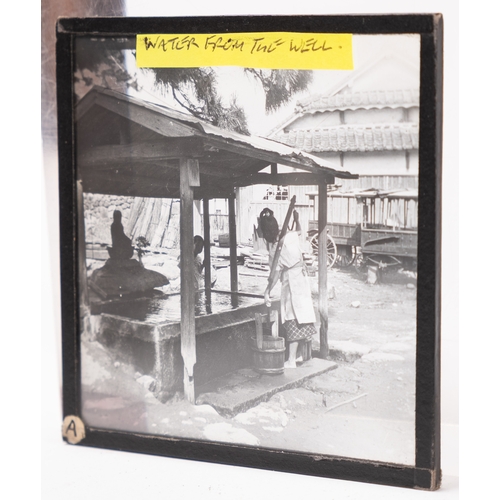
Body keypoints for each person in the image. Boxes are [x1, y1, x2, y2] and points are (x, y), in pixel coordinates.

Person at [261, 209, 316, 368]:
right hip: (301, 278)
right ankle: (299, 355)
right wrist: (297, 219)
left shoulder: (275, 250)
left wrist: (267, 291)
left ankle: (291, 360)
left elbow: (274, 275)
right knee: (302, 315)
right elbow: (299, 231)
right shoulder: (290, 236)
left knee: (293, 317)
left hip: (292, 281)